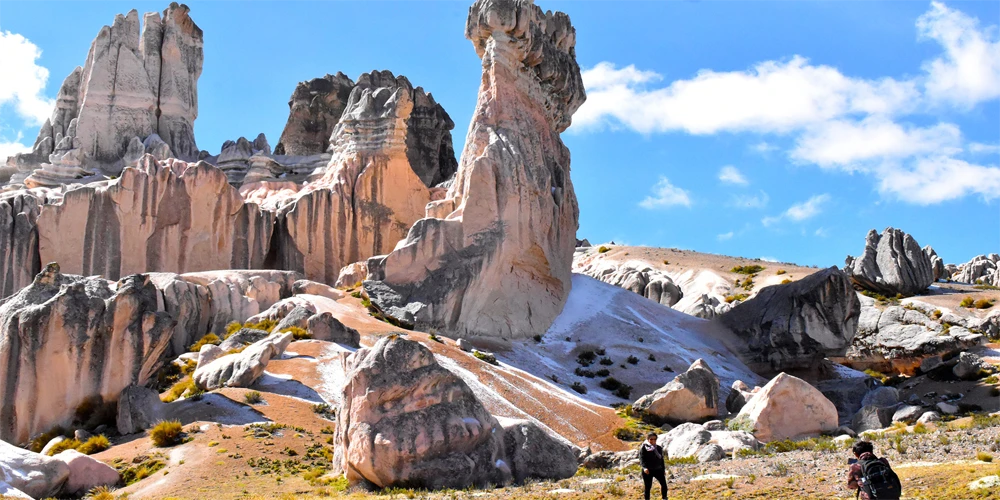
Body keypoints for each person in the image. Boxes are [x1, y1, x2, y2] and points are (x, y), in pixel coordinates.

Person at [639, 432, 667, 500]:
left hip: (658, 469)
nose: (653, 441)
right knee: (648, 487)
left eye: (654, 439)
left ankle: (664, 498)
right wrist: (645, 468)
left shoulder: (659, 448)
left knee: (664, 485)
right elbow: (641, 458)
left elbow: (661, 459)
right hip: (648, 470)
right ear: (648, 439)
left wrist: (663, 470)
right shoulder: (644, 448)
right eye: (651, 439)